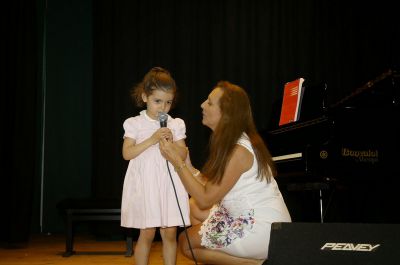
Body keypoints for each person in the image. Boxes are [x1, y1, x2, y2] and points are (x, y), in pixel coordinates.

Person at [159, 81, 292, 265]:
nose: (202, 105)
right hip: (249, 217)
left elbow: (206, 198)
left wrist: (177, 162)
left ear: (226, 114)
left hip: (261, 228)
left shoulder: (237, 151)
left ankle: (254, 263)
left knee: (186, 242)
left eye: (210, 102)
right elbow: (213, 188)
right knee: (193, 208)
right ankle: (235, 254)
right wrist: (188, 165)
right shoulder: (235, 141)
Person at [121, 67, 193, 265]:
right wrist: (152, 139)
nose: (163, 108)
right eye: (157, 101)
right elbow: (127, 153)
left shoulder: (175, 124)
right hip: (147, 185)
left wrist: (171, 143)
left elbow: (183, 153)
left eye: (168, 102)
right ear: (145, 97)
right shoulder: (135, 123)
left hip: (169, 184)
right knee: (147, 232)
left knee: (170, 233)